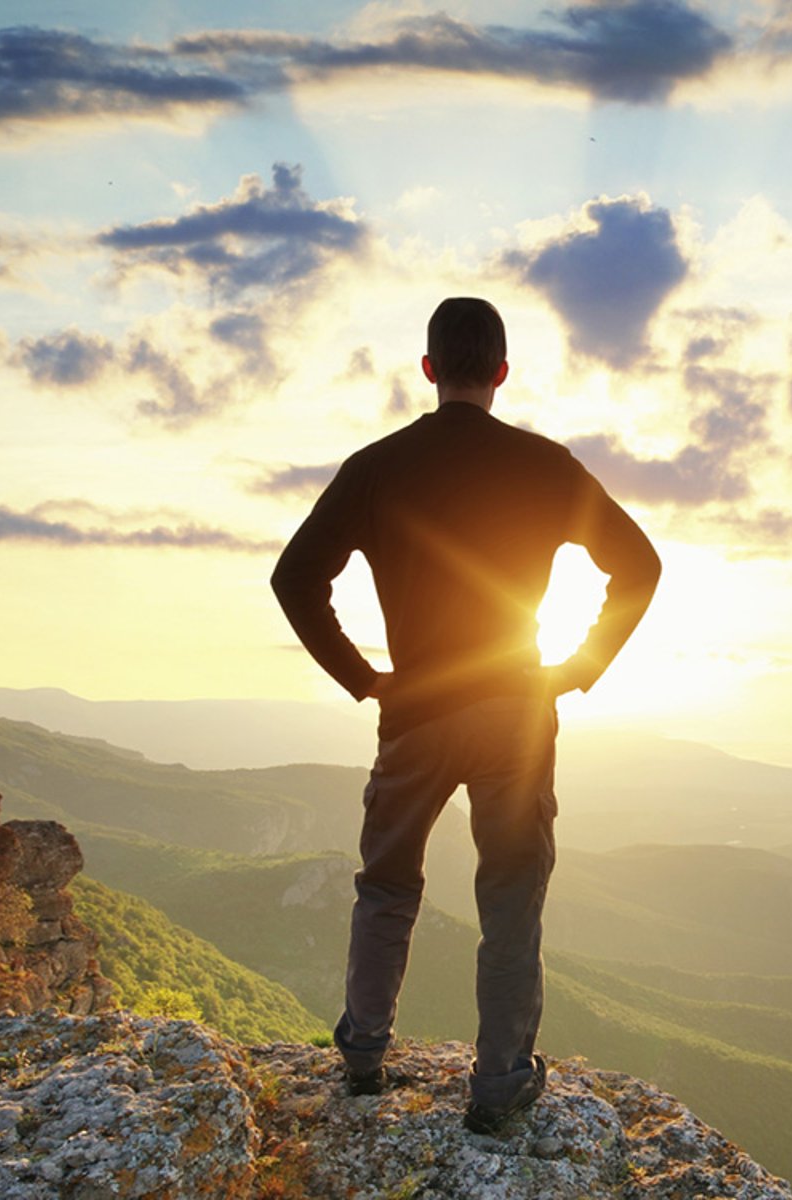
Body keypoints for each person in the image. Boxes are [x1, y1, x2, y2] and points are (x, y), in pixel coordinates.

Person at [270, 297, 661, 1134]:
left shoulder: (376, 466)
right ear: (503, 374)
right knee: (512, 897)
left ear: (428, 369)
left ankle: (366, 1056)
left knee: (386, 885)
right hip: (516, 713)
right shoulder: (547, 466)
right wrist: (579, 669)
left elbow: (293, 579)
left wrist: (365, 679)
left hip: (414, 711)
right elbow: (641, 566)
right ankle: (498, 1084)